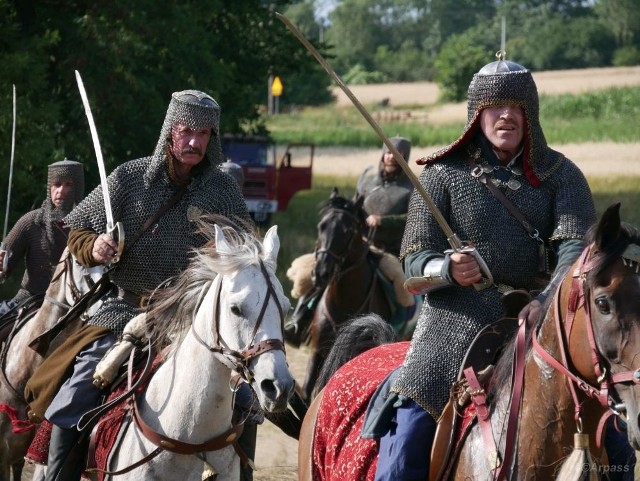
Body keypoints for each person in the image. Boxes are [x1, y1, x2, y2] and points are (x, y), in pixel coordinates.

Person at [373, 53, 602, 480]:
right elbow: (414, 263)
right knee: (408, 438)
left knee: (614, 437)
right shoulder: (442, 175)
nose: (506, 116)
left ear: (529, 114)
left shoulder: (562, 176)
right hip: (455, 324)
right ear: (476, 114)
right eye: (495, 107)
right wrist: (447, 269)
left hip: (540, 320)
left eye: (516, 107)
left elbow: (576, 251)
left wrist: (547, 300)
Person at [33, 89, 253, 481]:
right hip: (125, 312)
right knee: (74, 399)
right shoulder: (131, 178)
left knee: (247, 403)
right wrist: (96, 246)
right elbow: (79, 232)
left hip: (194, 321)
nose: (193, 141)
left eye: (203, 134)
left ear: (211, 139)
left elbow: (245, 255)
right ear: (170, 131)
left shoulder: (223, 191)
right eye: (186, 130)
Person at [0, 159, 84, 316]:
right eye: (56, 184)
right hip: (30, 300)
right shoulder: (31, 222)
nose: (60, 190)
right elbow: (4, 263)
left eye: (68, 185)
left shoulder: (87, 225)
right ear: (49, 187)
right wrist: (1, 265)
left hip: (75, 306)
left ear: (77, 187)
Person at [356, 136, 413, 257]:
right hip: (361, 249)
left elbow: (415, 219)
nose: (392, 157)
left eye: (397, 153)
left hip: (394, 252)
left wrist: (383, 221)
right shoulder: (368, 183)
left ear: (405, 157)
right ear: (383, 156)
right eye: (388, 153)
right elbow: (354, 209)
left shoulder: (413, 187)